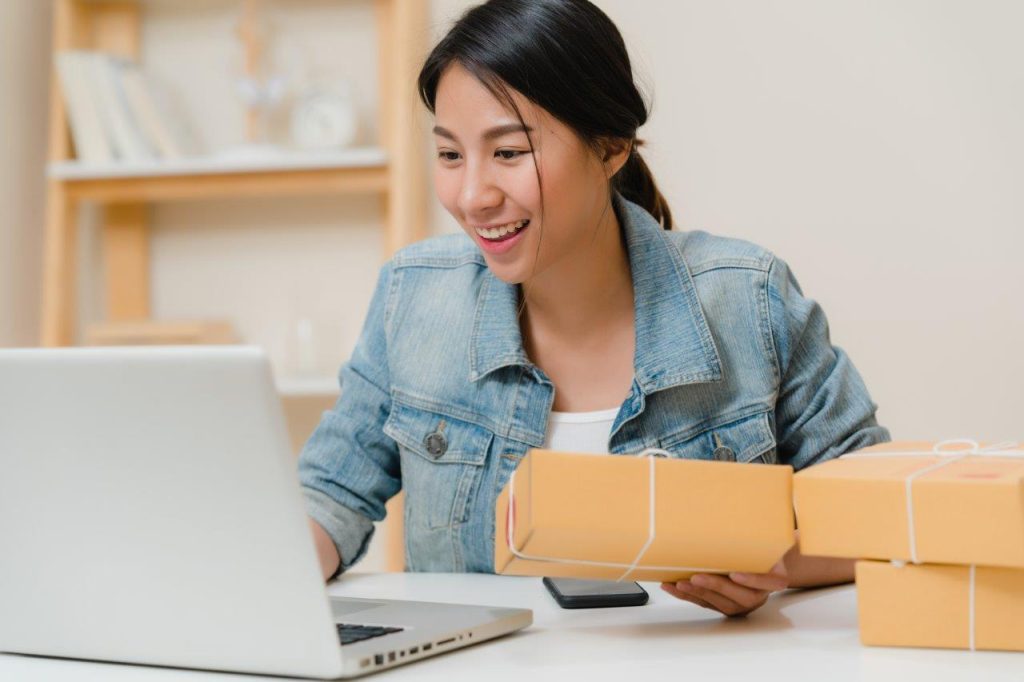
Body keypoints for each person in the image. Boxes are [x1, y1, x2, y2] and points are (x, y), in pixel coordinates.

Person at [298, 0, 890, 617]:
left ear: (611, 147)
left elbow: (884, 511)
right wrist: (267, 559)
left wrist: (774, 561)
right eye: (450, 155)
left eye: (508, 152)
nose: (472, 196)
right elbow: (328, 493)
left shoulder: (749, 298)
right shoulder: (413, 298)